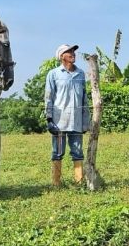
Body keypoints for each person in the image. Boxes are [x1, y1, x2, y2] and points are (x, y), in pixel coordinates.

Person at [45, 44, 89, 186]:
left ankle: (79, 182)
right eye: (68, 52)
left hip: (76, 120)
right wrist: (49, 118)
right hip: (59, 121)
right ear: (61, 56)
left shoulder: (81, 74)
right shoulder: (53, 74)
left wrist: (85, 121)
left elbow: (84, 99)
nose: (72, 54)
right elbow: (49, 97)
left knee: (77, 151)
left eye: (73, 51)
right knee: (57, 152)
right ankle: (56, 183)